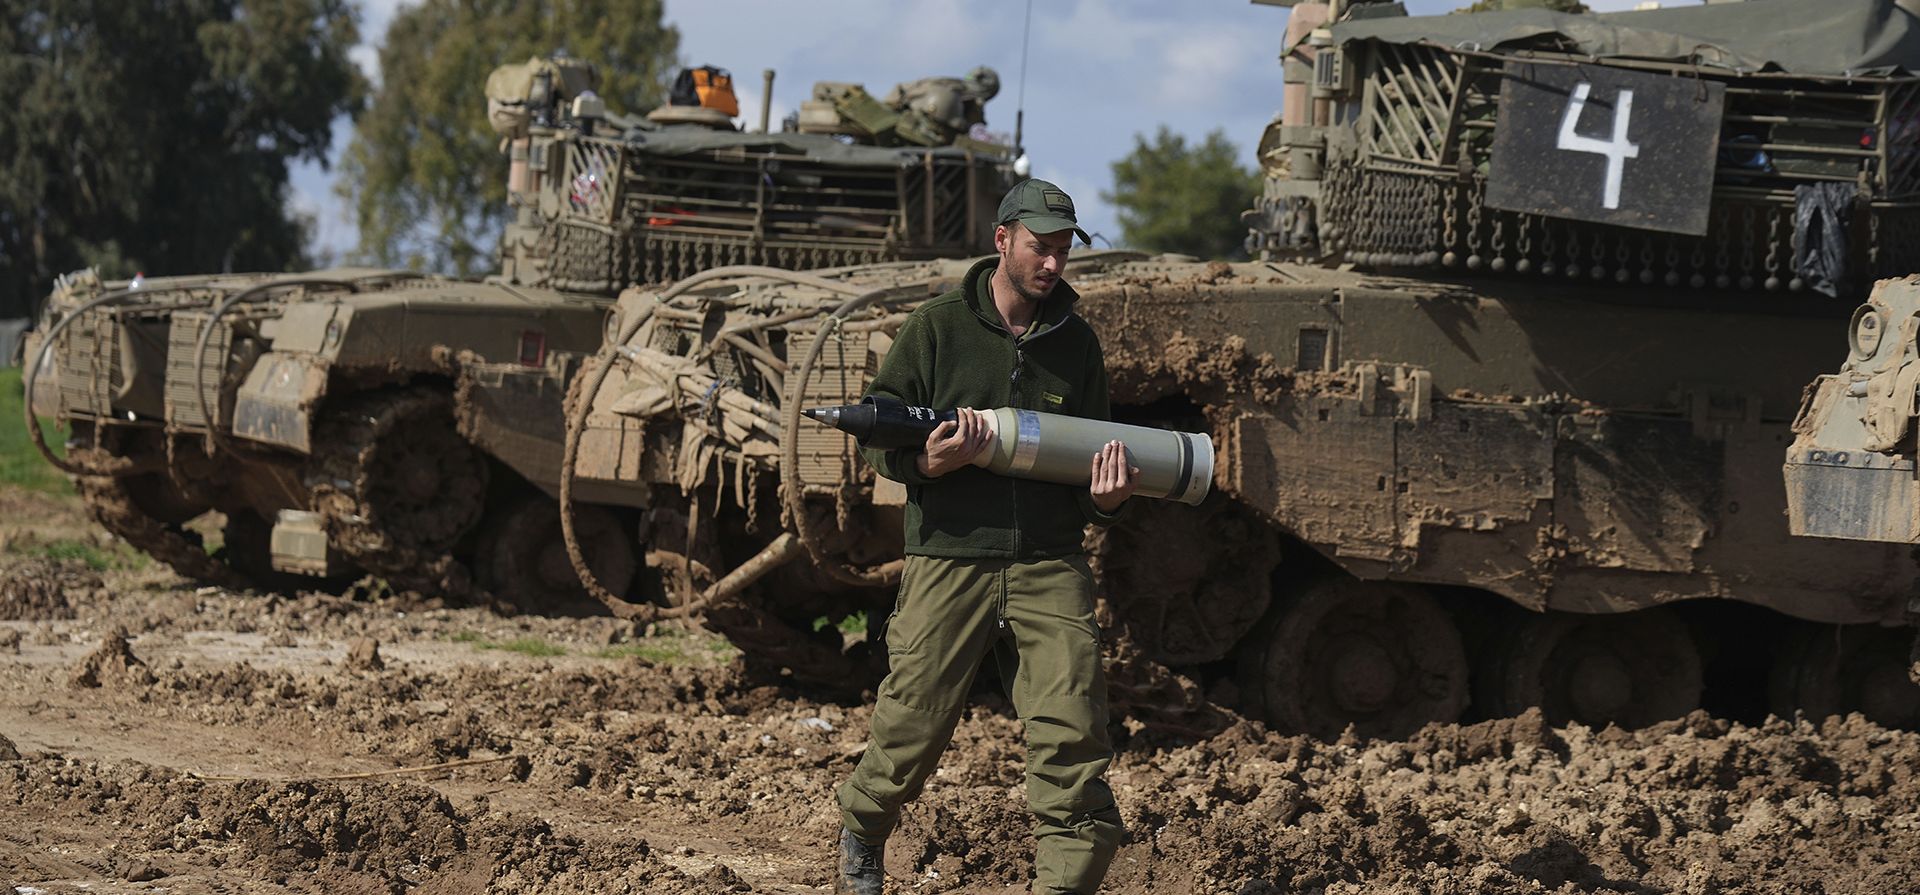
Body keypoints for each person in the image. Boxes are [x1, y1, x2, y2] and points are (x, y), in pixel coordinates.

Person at [834, 179, 1134, 895]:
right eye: (1041, 248)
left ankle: (1063, 884)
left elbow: (1092, 461)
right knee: (913, 722)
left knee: (1072, 732)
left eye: (1064, 250)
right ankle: (864, 830)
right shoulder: (937, 327)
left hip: (1048, 560)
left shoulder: (1077, 344)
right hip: (951, 556)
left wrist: (1108, 501)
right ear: (1002, 240)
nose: (1054, 265)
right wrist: (925, 462)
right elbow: (880, 428)